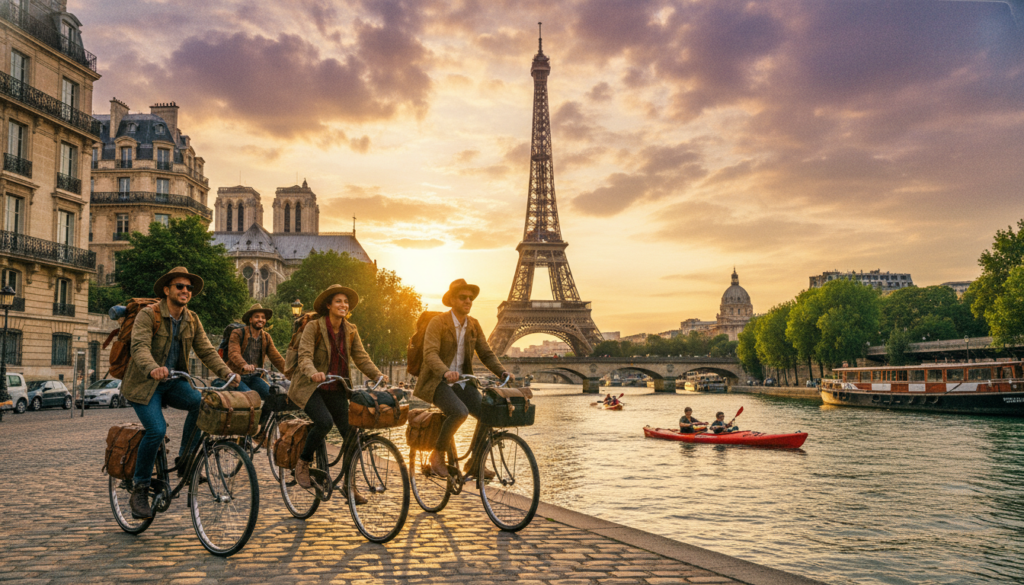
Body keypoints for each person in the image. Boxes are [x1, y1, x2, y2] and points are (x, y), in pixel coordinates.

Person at [122, 267, 245, 520]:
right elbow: (139, 347)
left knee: (202, 404)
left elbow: (207, 351)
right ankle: (140, 488)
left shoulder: (192, 319)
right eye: (180, 286)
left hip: (174, 381)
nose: (185, 291)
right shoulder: (149, 315)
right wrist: (153, 368)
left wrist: (227, 374)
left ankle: (186, 461)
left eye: (189, 288)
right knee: (156, 430)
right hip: (145, 384)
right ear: (167, 290)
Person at [287, 285, 387, 501]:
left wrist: (378, 375)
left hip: (337, 387)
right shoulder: (313, 327)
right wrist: (313, 372)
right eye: (339, 301)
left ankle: (348, 484)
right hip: (311, 387)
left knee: (351, 434)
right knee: (324, 422)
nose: (344, 305)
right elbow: (304, 356)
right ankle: (302, 463)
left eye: (346, 302)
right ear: (328, 305)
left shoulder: (350, 329)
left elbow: (361, 357)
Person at [413, 279, 510, 478]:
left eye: (470, 298)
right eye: (462, 297)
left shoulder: (473, 324)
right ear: (451, 300)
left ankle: (475, 462)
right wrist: (445, 372)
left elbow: (486, 353)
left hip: (463, 381)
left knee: (488, 413)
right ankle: (437, 455)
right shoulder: (438, 323)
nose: (468, 301)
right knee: (459, 412)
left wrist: (502, 372)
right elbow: (430, 353)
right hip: (436, 381)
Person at [226, 303, 287, 444]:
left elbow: (276, 358)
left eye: (263, 317)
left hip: (254, 377)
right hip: (237, 377)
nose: (261, 320)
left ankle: (259, 428)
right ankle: (243, 436)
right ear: (250, 320)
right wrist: (244, 365)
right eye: (257, 317)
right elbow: (233, 352)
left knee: (273, 395)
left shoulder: (266, 337)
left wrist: (290, 373)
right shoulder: (238, 333)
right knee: (250, 400)